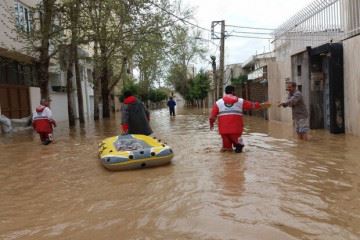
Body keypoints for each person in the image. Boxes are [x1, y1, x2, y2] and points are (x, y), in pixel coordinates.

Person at [209, 85, 269, 153]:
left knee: (227, 150)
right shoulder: (240, 101)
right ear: (233, 91)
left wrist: (211, 125)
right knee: (239, 148)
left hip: (223, 131)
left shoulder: (218, 103)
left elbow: (212, 117)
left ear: (225, 92)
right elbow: (252, 105)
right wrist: (262, 105)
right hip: (236, 131)